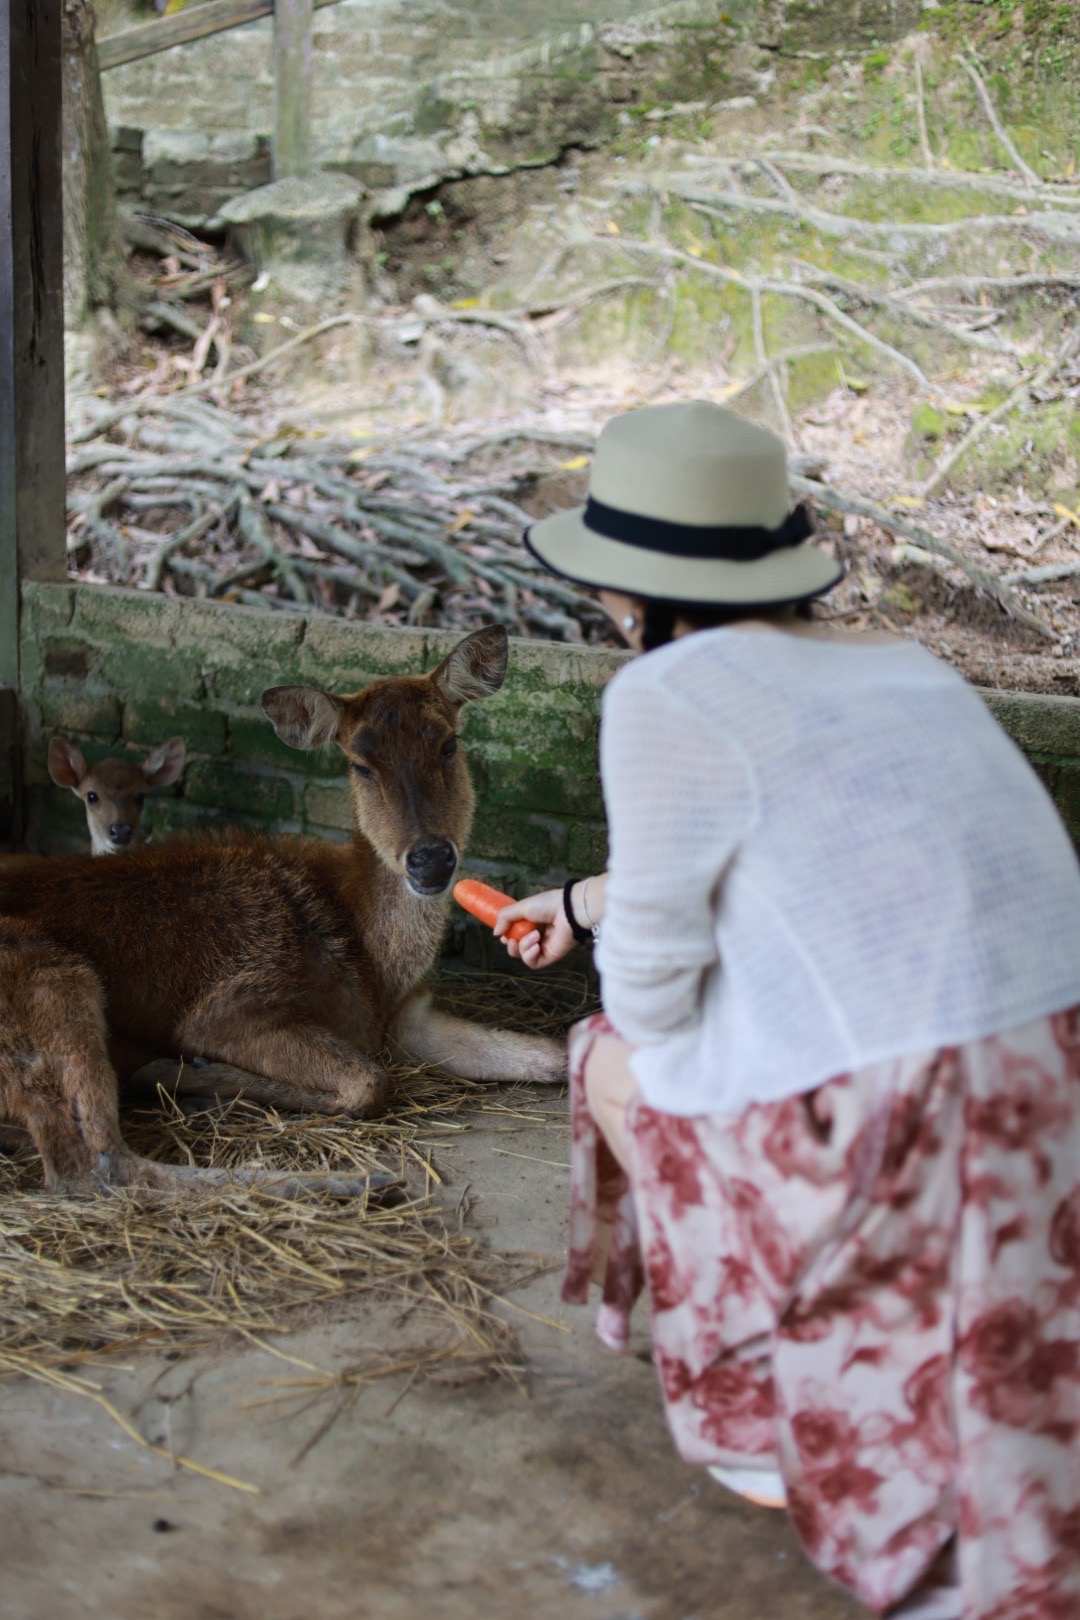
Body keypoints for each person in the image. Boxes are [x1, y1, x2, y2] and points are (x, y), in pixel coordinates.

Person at [491, 400, 1080, 1620]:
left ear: (630, 595)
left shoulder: (666, 694)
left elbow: (653, 989)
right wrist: (578, 901)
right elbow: (805, 871)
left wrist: (620, 948)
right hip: (1051, 1078)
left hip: (902, 1111)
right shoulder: (905, 668)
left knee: (608, 1055)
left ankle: (760, 1419)